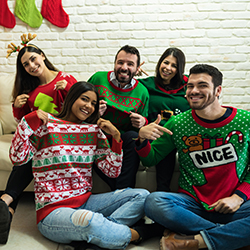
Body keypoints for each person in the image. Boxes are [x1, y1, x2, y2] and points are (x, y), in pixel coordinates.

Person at [9, 81, 152, 250]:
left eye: (93, 103)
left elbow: (112, 172)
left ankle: (97, 237)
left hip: (86, 202)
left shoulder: (93, 131)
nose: (89, 106)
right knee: (90, 221)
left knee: (142, 196)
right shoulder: (45, 125)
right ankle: (140, 233)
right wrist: (28, 120)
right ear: (71, 98)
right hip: (52, 212)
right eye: (84, 99)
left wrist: (116, 137)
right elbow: (17, 158)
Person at [136, 64, 250, 250]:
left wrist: (238, 197)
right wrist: (141, 138)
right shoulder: (178, 123)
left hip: (235, 204)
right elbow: (151, 159)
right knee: (153, 202)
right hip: (192, 207)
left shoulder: (245, 121)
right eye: (190, 86)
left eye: (202, 85)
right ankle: (230, 237)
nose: (194, 91)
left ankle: (199, 241)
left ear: (218, 90)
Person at [0, 34, 77, 244]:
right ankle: (7, 211)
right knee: (27, 154)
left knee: (32, 154)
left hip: (62, 138)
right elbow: (23, 124)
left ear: (42, 56)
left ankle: (5, 200)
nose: (31, 66)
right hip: (40, 139)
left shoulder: (65, 79)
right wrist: (17, 107)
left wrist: (69, 91)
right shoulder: (29, 89)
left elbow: (82, 110)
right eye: (26, 64)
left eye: (33, 59)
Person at [88, 45, 149, 190]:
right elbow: (79, 106)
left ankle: (122, 190)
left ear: (137, 68)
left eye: (130, 64)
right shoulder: (98, 78)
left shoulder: (142, 92)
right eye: (120, 62)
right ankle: (122, 192)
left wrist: (142, 122)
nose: (124, 67)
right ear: (115, 63)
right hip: (97, 133)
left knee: (134, 137)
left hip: (122, 139)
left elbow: (145, 124)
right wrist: (93, 112)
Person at [138, 47, 190, 191]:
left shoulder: (188, 87)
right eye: (165, 63)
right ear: (160, 63)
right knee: (162, 142)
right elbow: (126, 88)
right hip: (154, 133)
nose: (168, 68)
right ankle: (161, 193)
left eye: (174, 66)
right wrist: (132, 74)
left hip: (179, 134)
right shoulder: (146, 84)